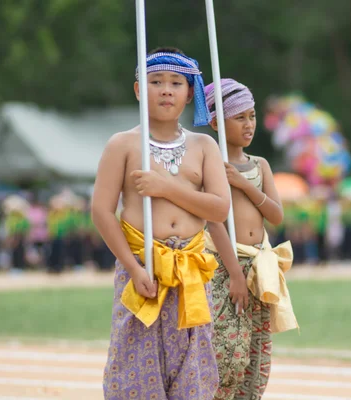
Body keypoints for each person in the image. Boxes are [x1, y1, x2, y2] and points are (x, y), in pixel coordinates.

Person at [91, 47, 230, 400]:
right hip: (142, 269)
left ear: (189, 93)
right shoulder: (121, 144)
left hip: (191, 273)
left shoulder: (204, 146)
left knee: (192, 368)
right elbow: (102, 211)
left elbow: (219, 208)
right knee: (135, 367)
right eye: (156, 82)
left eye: (175, 83)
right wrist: (133, 268)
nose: (166, 90)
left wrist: (167, 187)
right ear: (139, 89)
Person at [203, 78, 298, 399]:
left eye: (252, 116)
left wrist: (244, 185)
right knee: (227, 349)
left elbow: (275, 215)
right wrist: (233, 274)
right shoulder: (210, 163)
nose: (249, 125)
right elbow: (214, 222)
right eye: (239, 117)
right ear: (216, 122)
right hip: (225, 267)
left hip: (260, 267)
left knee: (257, 353)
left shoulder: (260, 165)